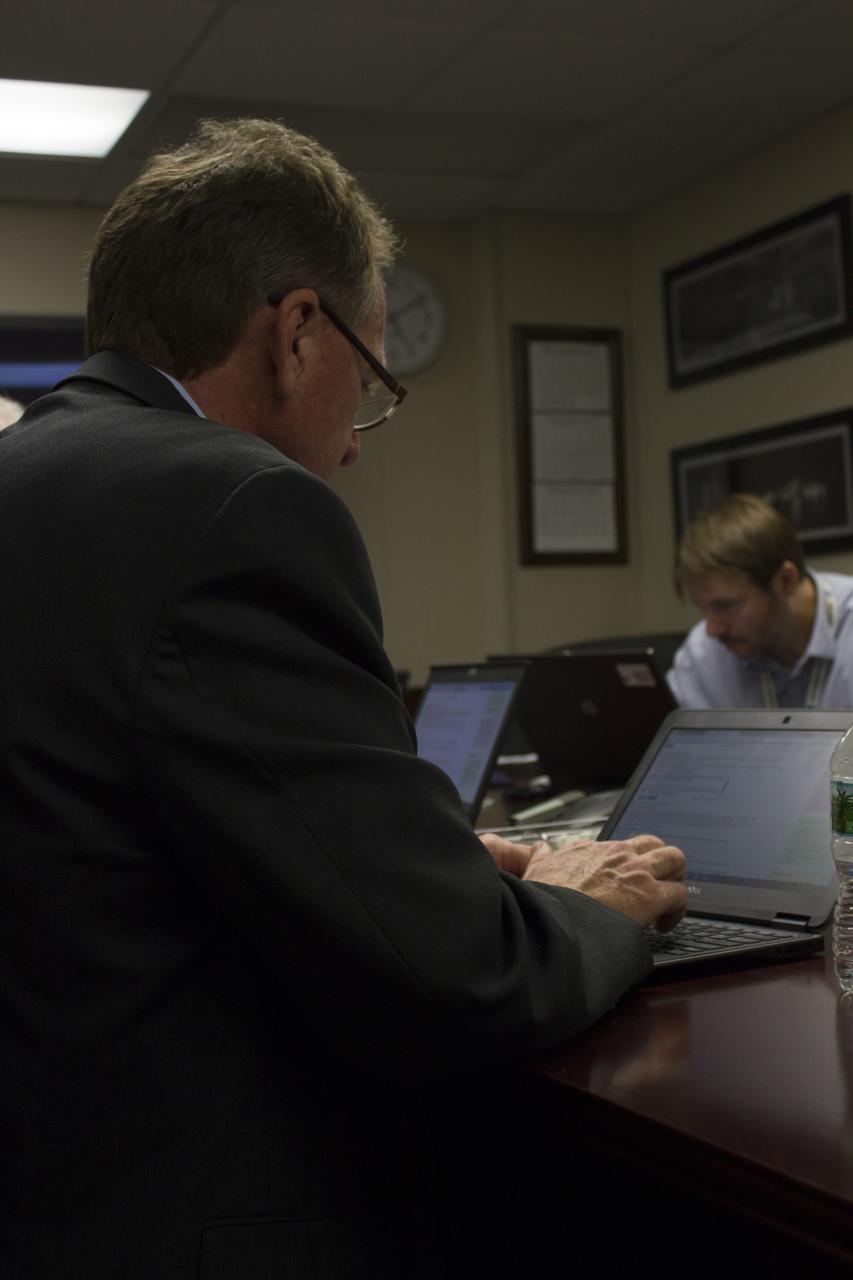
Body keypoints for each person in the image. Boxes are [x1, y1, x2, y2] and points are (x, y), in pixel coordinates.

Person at [0, 118, 686, 1280]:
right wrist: (591, 898)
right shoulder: (232, 503)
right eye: (370, 384)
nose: (357, 447)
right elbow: (453, 979)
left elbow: (127, 831)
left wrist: (414, 853)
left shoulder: (30, 478)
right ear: (298, 330)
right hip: (204, 1213)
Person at [668, 492, 853, 708]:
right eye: (704, 609)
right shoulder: (703, 654)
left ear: (786, 580)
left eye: (725, 606)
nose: (713, 629)